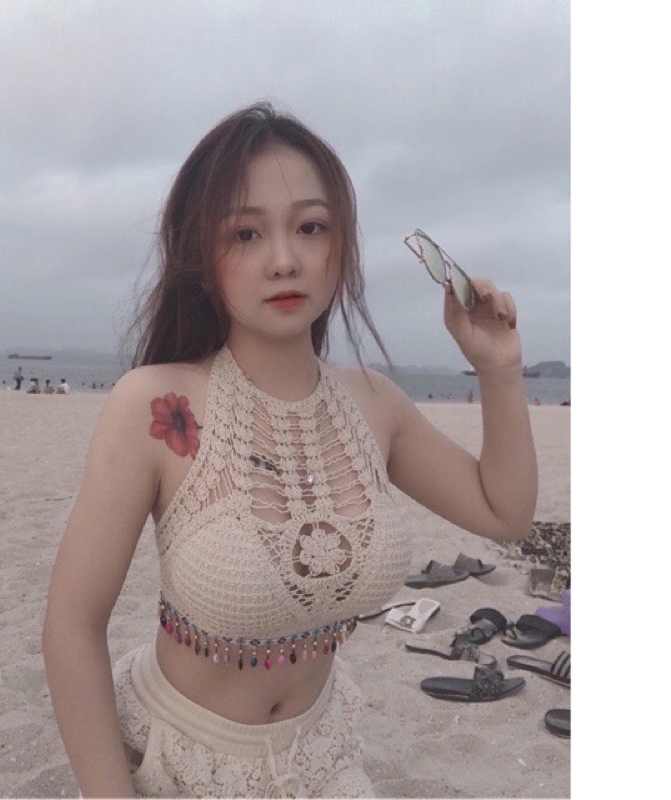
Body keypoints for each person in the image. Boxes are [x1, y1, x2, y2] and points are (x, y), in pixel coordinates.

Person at [43, 102, 537, 798]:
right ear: (202, 258)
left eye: (310, 227)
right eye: (245, 233)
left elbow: (503, 511)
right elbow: (72, 624)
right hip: (177, 758)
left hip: (321, 758)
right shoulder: (157, 406)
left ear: (342, 245)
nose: (284, 260)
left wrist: (499, 370)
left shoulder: (374, 404)